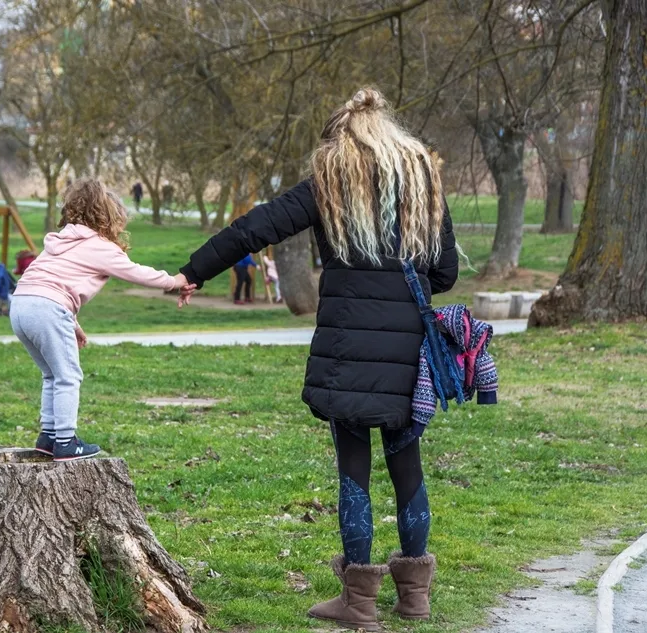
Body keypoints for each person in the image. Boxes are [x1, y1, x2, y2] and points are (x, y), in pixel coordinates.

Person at [177, 88, 458, 630]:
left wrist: (195, 270)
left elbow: (256, 226)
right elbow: (444, 273)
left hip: (347, 347)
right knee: (406, 463)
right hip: (406, 348)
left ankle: (358, 605)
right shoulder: (423, 185)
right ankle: (416, 600)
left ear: (339, 141)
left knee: (354, 466)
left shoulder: (331, 183)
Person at [11, 179, 187, 461]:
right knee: (68, 376)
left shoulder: (60, 240)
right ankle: (66, 442)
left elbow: (54, 281)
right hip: (47, 307)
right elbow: (137, 273)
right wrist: (175, 281)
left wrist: (73, 323)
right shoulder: (99, 246)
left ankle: (48, 437)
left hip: (21, 305)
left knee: (51, 374)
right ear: (108, 216)